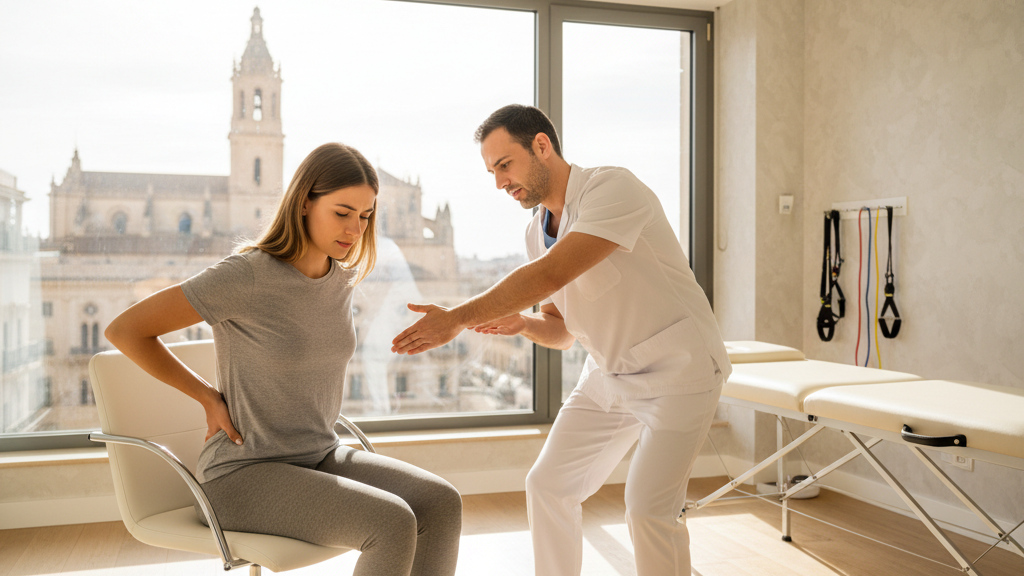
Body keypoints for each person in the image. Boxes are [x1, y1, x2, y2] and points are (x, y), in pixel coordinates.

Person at [391, 105, 731, 575]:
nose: (499, 183)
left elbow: (552, 273)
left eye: (504, 165)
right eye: (491, 172)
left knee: (649, 509)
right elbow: (562, 332)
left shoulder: (613, 189)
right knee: (548, 485)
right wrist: (524, 325)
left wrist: (457, 319)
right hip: (609, 374)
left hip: (680, 369)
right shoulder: (536, 232)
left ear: (542, 146)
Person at [105, 143, 462, 576]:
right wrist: (205, 397)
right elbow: (125, 330)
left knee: (441, 504)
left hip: (319, 453)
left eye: (365, 217)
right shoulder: (247, 274)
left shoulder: (339, 277)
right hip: (242, 476)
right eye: (342, 212)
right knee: (391, 522)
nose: (355, 229)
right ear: (304, 203)